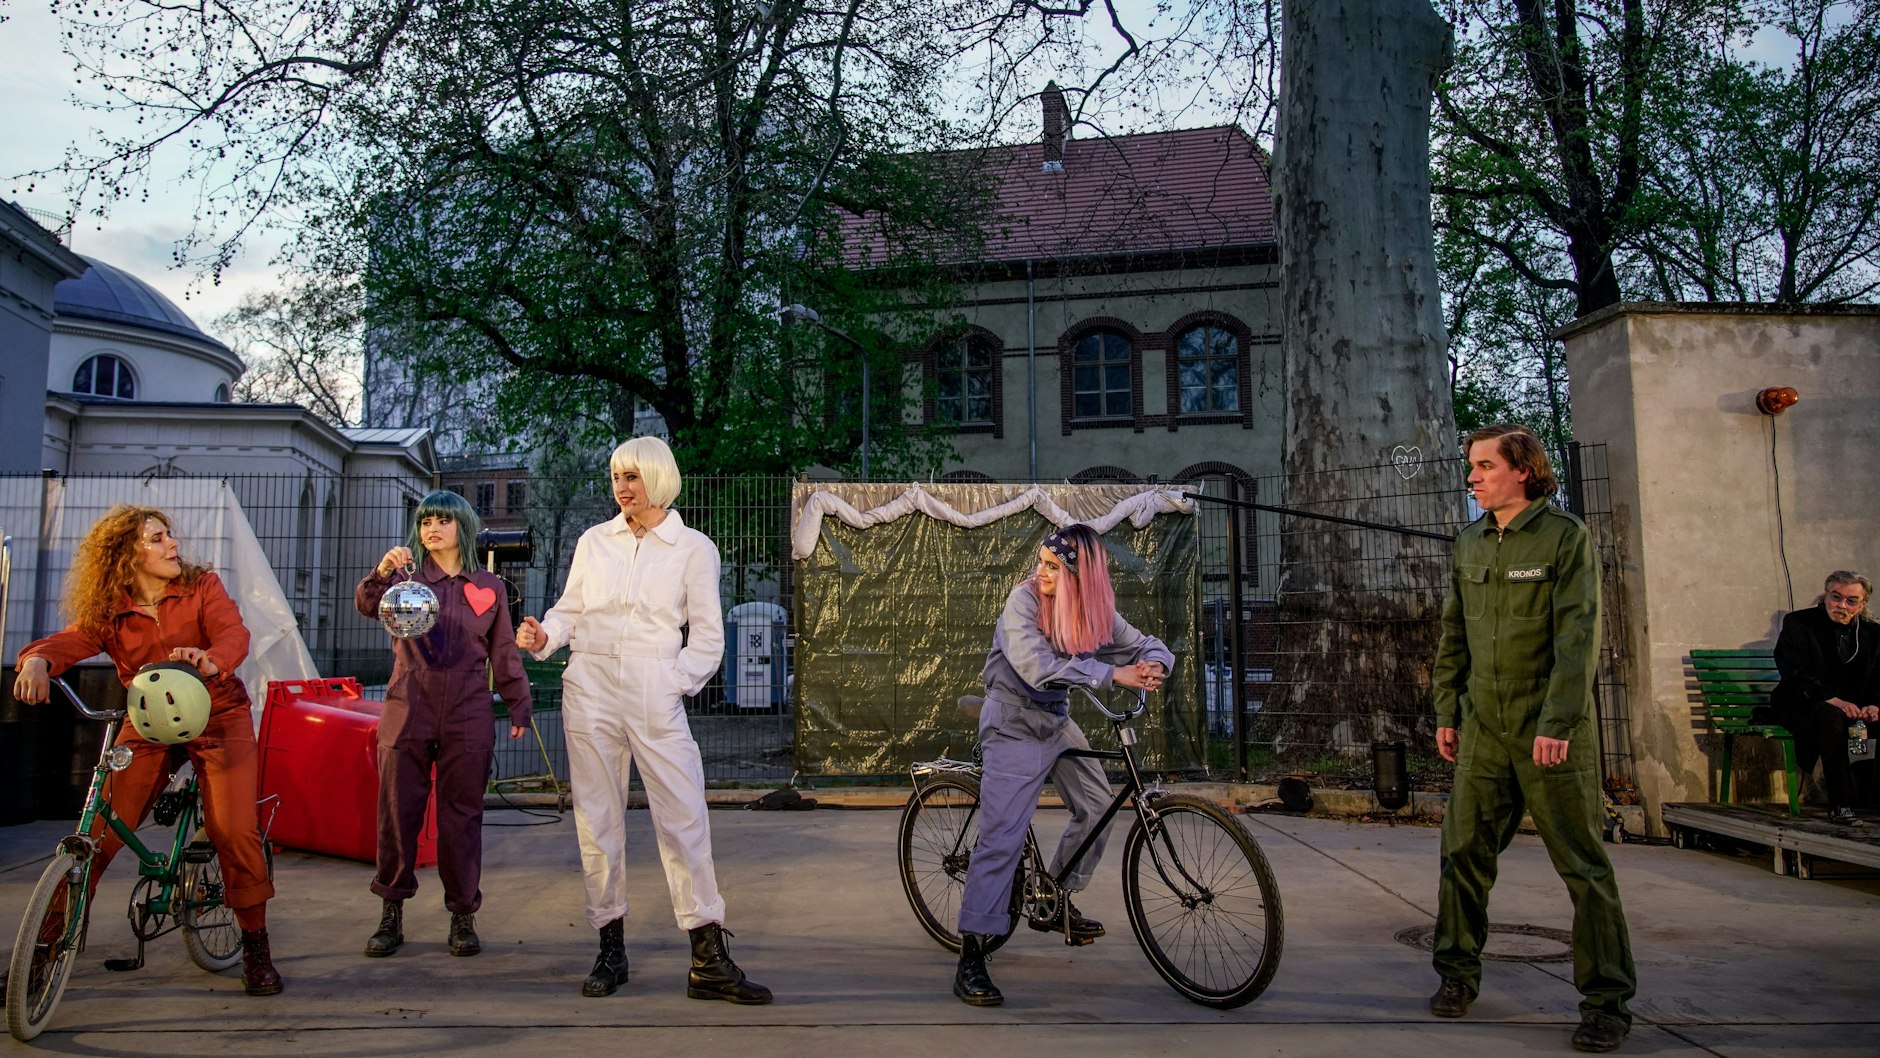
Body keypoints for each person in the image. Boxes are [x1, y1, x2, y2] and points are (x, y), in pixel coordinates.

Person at [514, 436, 769, 1003]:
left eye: (631, 476)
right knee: (597, 823)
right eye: (615, 477)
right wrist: (544, 636)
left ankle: (707, 959)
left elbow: (707, 635)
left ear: (657, 477)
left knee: (683, 818)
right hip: (591, 689)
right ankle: (611, 949)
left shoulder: (692, 548)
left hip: (654, 690)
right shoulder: (593, 542)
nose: (621, 487)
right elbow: (569, 611)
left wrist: (669, 684)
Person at [9, 505, 283, 996]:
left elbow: (233, 633)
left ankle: (256, 945)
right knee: (94, 834)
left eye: (168, 536)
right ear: (126, 555)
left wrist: (212, 659)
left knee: (233, 830)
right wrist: (36, 661)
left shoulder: (202, 586)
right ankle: (44, 951)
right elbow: (68, 641)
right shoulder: (110, 608)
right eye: (157, 539)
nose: (172, 544)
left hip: (219, 716)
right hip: (150, 723)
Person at [1429, 424, 1635, 1053]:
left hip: (1549, 733)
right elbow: (1454, 636)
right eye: (1473, 467)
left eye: (1485, 465)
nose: (1473, 477)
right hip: (1482, 727)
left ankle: (1606, 1004)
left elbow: (1578, 641)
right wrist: (1447, 710)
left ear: (1522, 469)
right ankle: (1456, 976)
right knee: (1462, 852)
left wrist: (1557, 724)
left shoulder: (1564, 538)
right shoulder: (1469, 543)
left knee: (1582, 867)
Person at [952, 522, 1173, 1007]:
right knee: (1002, 838)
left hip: (1055, 721)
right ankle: (972, 952)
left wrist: (1155, 664)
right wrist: (1114, 674)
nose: (1041, 572)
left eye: (1053, 567)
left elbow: (1143, 643)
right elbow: (1037, 667)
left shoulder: (1096, 610)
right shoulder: (1024, 601)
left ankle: (1055, 899)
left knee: (1098, 803)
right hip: (1012, 722)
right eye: (1042, 562)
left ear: (1080, 577)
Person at [354, 489, 532, 957]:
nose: (432, 528)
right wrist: (382, 572)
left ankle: (462, 915)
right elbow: (367, 605)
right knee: (397, 812)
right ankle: (390, 912)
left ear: (463, 527)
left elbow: (504, 651)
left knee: (462, 817)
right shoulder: (406, 579)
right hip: (408, 703)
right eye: (425, 521)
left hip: (468, 710)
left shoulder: (489, 587)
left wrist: (518, 703)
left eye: (442, 521)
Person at [1766, 571, 1880, 826]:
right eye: (1836, 597)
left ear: (1862, 605)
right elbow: (1795, 671)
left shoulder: (1872, 633)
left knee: (1862, 723)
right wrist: (1833, 700)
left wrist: (1874, 704)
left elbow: (1877, 676)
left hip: (1854, 707)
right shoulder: (1800, 623)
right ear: (1826, 596)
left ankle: (1872, 798)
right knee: (1832, 719)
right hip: (1802, 702)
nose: (1841, 605)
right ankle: (1842, 804)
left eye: (1851, 601)